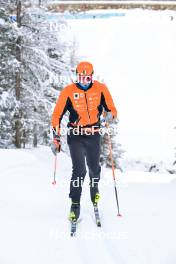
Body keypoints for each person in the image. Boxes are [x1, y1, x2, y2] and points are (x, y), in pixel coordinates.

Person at [51, 61, 117, 222]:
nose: (84, 81)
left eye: (87, 78)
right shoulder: (68, 91)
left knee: (94, 169)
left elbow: (112, 109)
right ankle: (75, 204)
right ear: (77, 76)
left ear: (92, 77)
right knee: (79, 170)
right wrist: (56, 138)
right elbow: (56, 115)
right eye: (81, 78)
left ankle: (94, 189)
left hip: (94, 134)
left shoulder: (101, 89)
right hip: (75, 134)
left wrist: (111, 115)